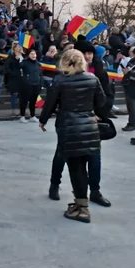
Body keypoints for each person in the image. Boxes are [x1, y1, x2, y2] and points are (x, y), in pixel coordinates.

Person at [39, 49, 106, 223]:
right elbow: (102, 102)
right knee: (83, 166)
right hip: (89, 126)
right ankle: (81, 203)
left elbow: (50, 103)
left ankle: (82, 208)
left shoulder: (60, 80)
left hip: (69, 127)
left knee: (76, 169)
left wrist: (43, 120)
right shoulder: (93, 79)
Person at [19, 49, 42, 122]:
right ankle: (22, 116)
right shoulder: (24, 63)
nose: (33, 55)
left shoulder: (38, 64)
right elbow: (18, 67)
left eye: (34, 54)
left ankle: (33, 115)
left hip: (36, 84)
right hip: (27, 84)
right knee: (24, 100)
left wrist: (41, 83)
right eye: (32, 54)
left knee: (33, 100)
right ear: (28, 55)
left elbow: (40, 74)